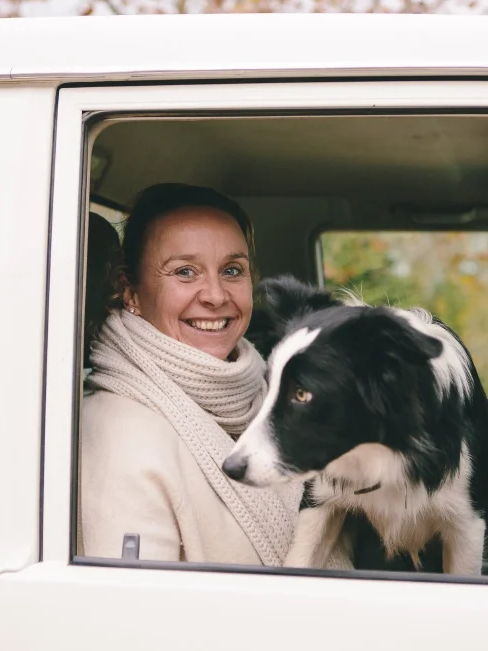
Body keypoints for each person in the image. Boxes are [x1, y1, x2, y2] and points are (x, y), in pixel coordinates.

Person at [77, 183, 348, 569]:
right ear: (131, 292)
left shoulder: (273, 398)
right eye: (185, 272)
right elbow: (135, 616)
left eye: (232, 271)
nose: (216, 295)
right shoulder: (115, 431)